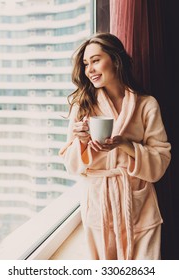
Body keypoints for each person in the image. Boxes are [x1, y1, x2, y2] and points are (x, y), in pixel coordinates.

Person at [59, 32, 171, 260]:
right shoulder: (83, 106)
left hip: (139, 207)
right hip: (99, 207)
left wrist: (126, 145)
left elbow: (160, 161)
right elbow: (70, 166)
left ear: (115, 60)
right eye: (86, 63)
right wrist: (81, 143)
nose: (89, 69)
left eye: (96, 60)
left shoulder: (146, 105)